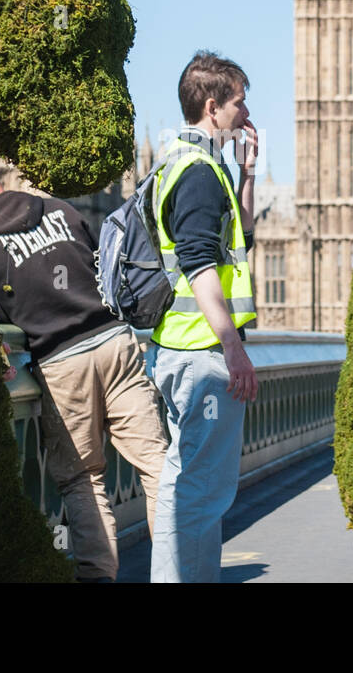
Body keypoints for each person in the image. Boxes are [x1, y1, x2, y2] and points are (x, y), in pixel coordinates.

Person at [0, 165, 170, 581]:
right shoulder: (59, 209)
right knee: (157, 464)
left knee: (83, 480)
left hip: (61, 362)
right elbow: (104, 269)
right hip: (115, 342)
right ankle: (177, 570)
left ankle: (98, 576)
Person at [149, 51, 259, 583]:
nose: (246, 112)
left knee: (185, 485)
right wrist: (233, 348)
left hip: (181, 349)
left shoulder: (190, 165)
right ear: (213, 107)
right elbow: (198, 262)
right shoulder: (196, 173)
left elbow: (237, 243)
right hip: (201, 353)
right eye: (239, 102)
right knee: (201, 491)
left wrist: (248, 173)